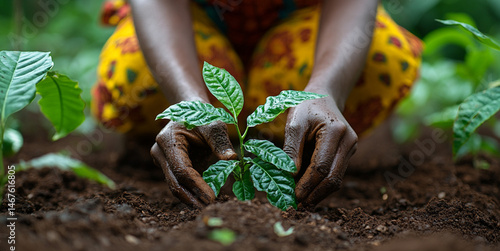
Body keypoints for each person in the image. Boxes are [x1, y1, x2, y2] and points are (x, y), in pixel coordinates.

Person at [92, 0, 423, 208]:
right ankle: (205, 140)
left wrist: (326, 89)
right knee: (137, 72)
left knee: (381, 60)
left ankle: (280, 142)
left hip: (309, 26)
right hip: (192, 26)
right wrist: (188, 103)